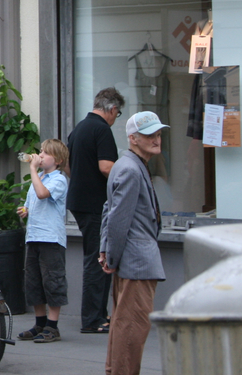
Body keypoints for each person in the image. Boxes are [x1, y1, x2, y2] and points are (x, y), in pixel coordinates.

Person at [100, 111, 167, 375]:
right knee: (131, 328)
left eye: (158, 134)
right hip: (136, 262)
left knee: (124, 325)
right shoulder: (130, 168)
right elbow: (117, 217)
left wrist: (106, 251)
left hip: (131, 260)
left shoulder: (128, 165)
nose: (156, 139)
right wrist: (111, 256)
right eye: (149, 135)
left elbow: (109, 210)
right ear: (133, 138)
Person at [67, 87, 125, 335]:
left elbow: (67, 165)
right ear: (112, 109)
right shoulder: (102, 129)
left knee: (97, 257)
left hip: (79, 200)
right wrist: (128, 179)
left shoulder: (79, 128)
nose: (115, 119)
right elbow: (106, 167)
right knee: (98, 259)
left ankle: (99, 314)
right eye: (117, 114)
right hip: (95, 203)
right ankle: (92, 319)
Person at [17, 139, 70, 343]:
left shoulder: (59, 179)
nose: (40, 156)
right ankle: (39, 323)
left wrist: (32, 168)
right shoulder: (38, 177)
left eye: (46, 153)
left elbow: (42, 194)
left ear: (58, 160)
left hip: (51, 238)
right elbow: (32, 201)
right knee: (34, 281)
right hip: (34, 236)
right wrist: (25, 210)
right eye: (40, 151)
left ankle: (52, 326)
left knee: (52, 280)